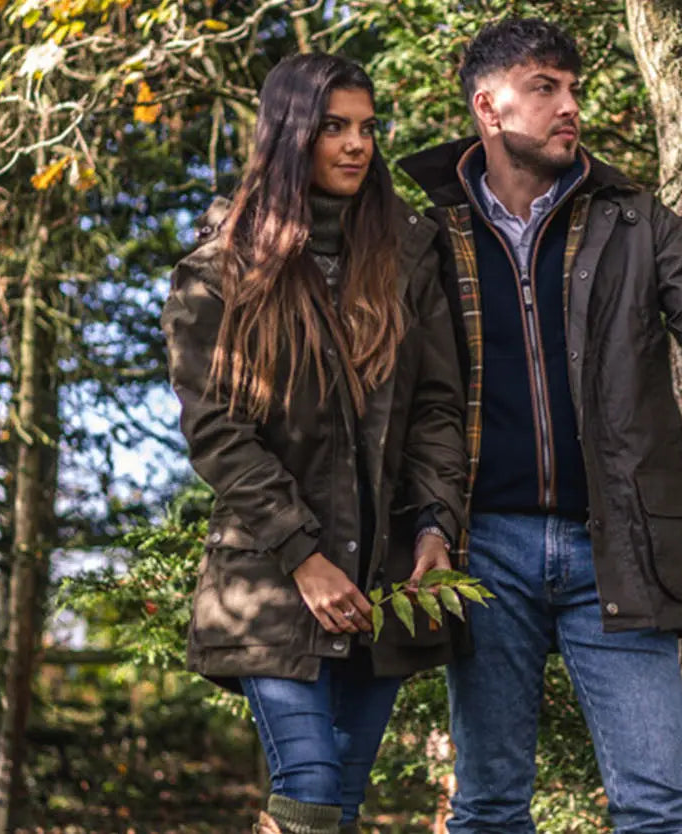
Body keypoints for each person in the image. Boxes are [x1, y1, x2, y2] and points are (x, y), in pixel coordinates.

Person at [398, 18, 682, 834]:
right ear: (489, 106)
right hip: (485, 549)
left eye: (573, 88)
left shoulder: (634, 221)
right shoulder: (426, 237)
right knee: (487, 808)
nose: (570, 106)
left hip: (617, 544)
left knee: (656, 808)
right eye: (545, 87)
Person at [161, 52, 467, 834]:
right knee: (307, 792)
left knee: (338, 804)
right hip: (270, 578)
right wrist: (303, 556)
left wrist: (435, 525)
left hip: (383, 580)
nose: (356, 145)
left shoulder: (406, 252)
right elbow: (218, 431)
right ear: (290, 135)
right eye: (334, 127)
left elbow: (435, 405)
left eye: (367, 128)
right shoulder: (218, 271)